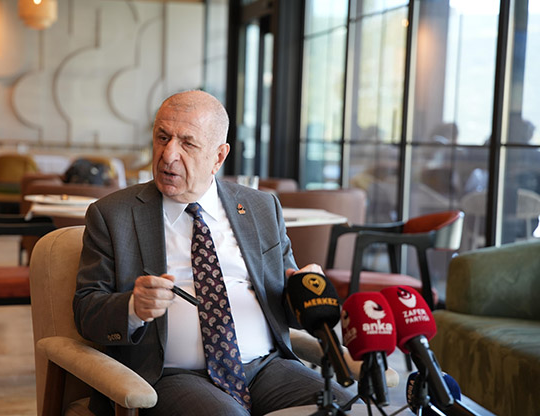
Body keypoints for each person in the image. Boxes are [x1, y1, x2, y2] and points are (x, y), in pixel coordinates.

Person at [73, 90, 353, 415]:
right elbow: (86, 312)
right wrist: (134, 307)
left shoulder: (261, 208)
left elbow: (288, 311)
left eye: (187, 143)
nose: (168, 155)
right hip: (171, 375)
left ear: (219, 157)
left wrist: (304, 292)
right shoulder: (113, 215)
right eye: (162, 137)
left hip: (266, 369)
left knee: (348, 408)